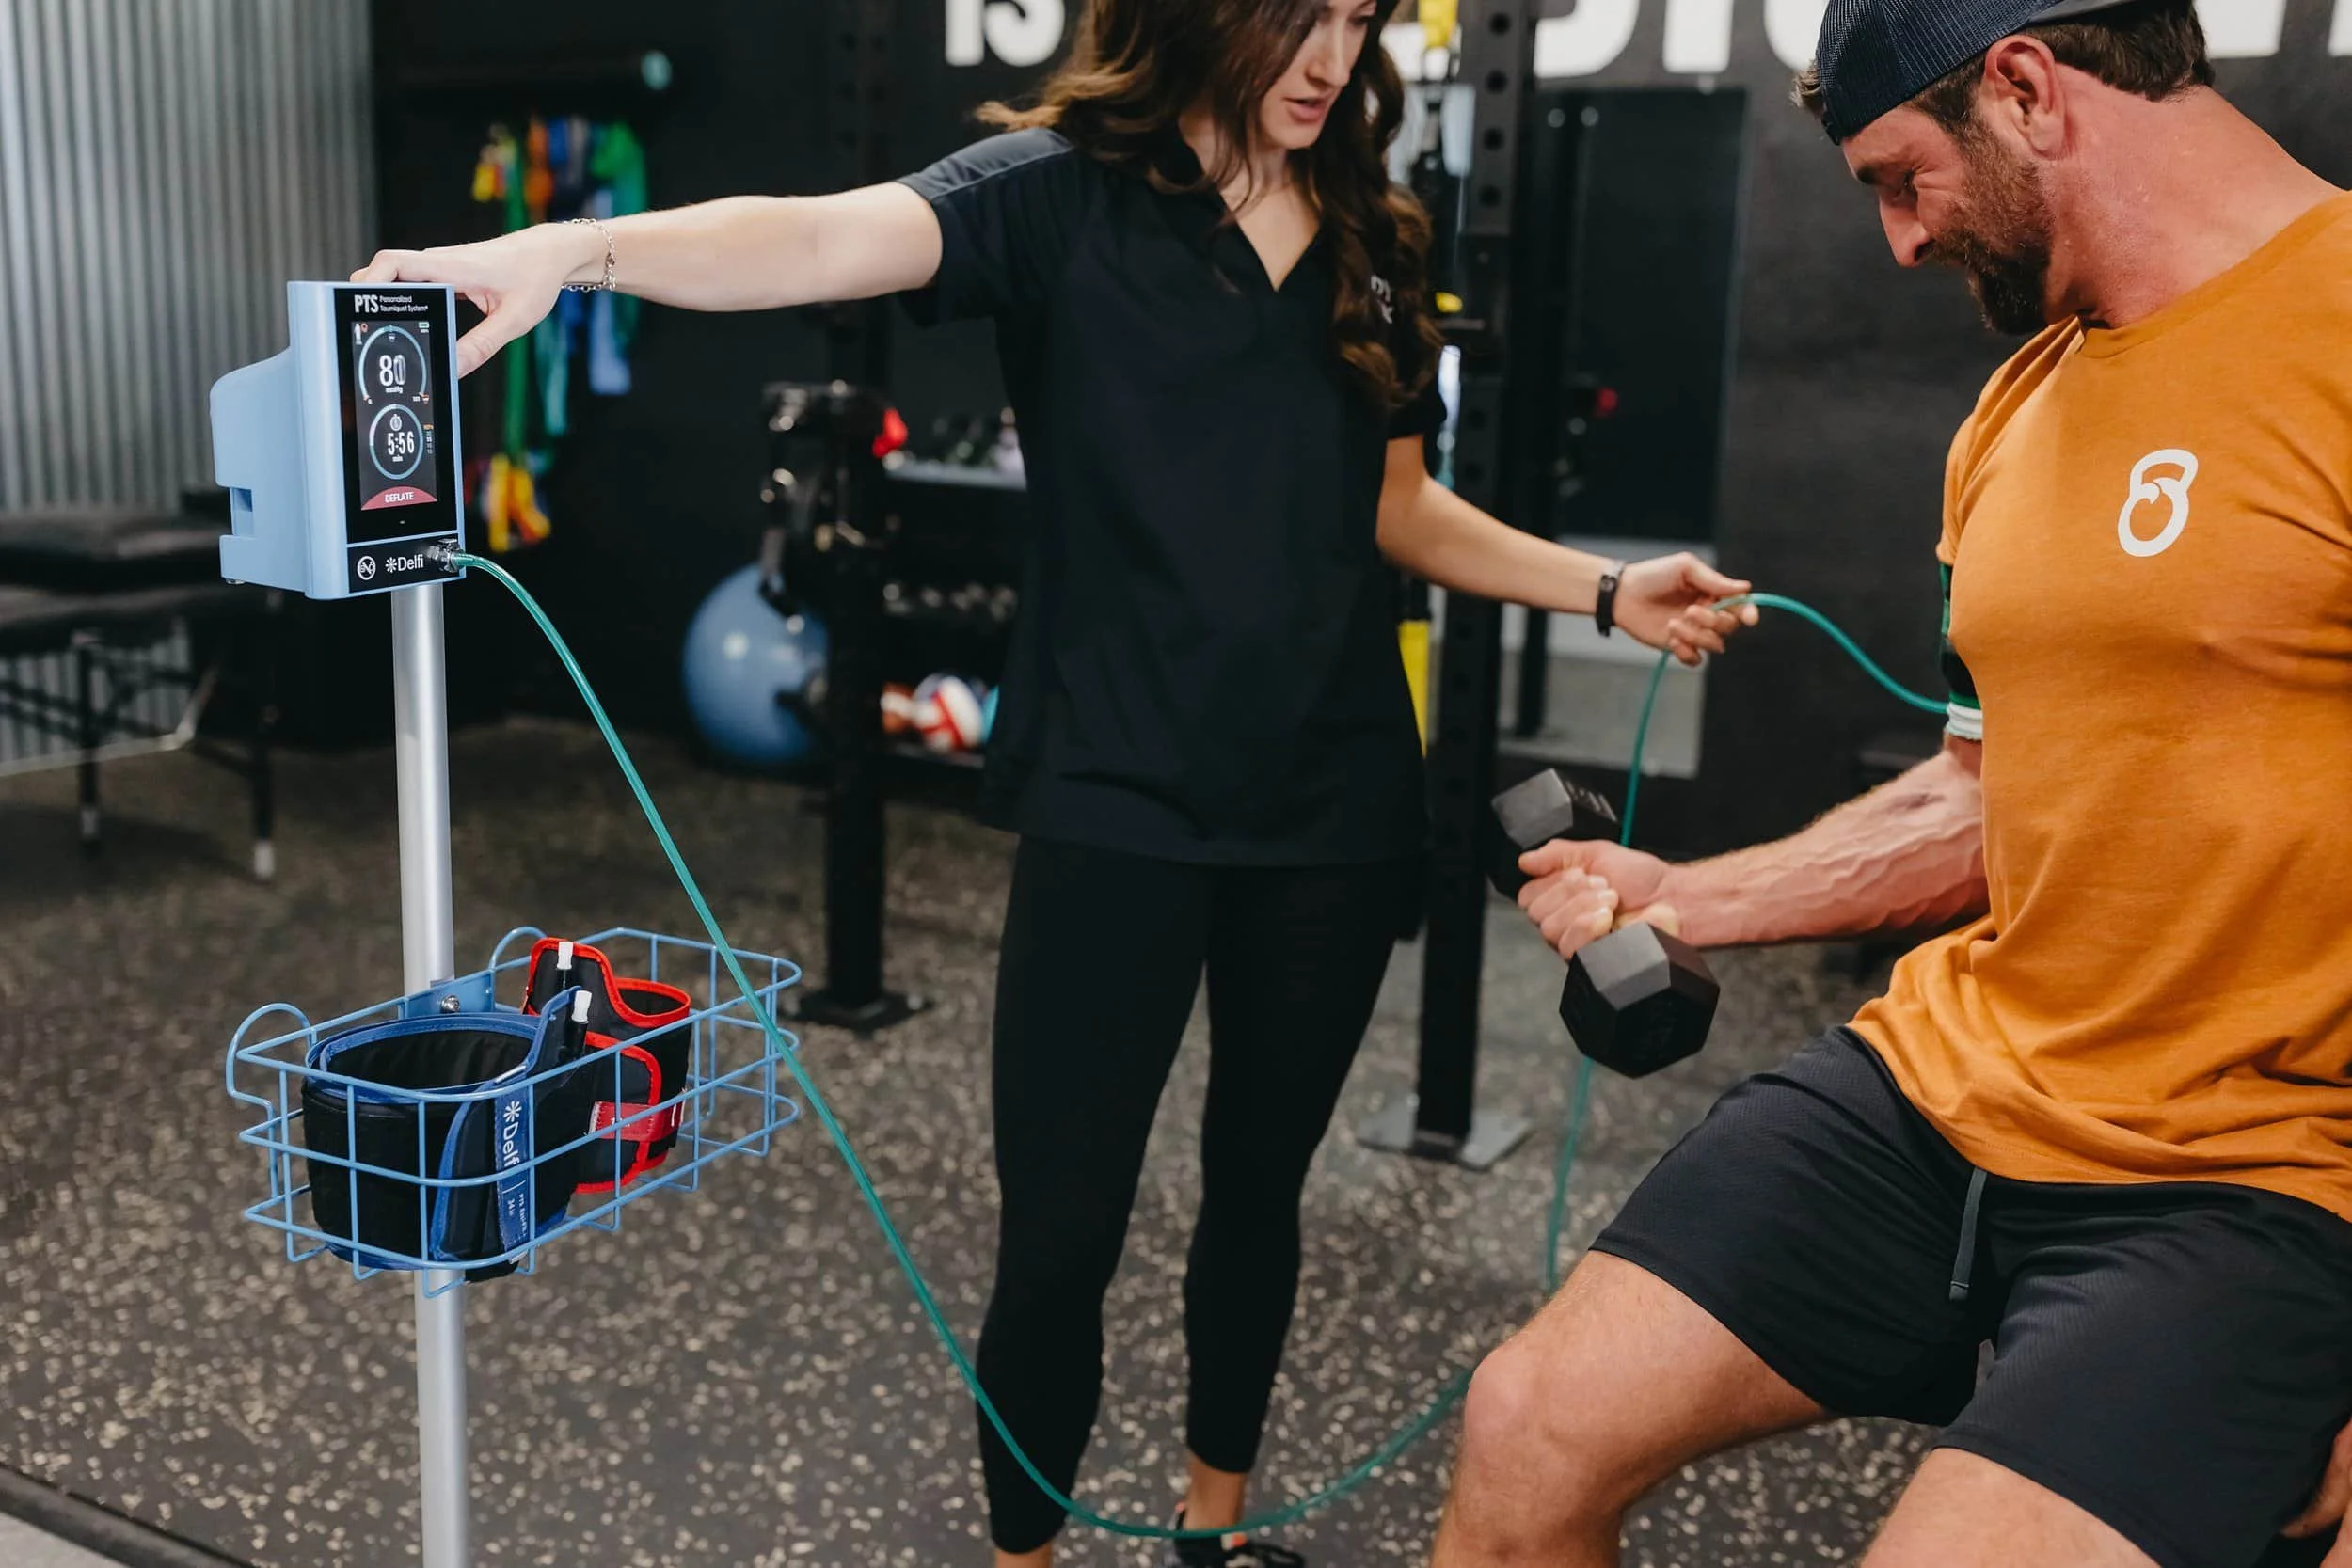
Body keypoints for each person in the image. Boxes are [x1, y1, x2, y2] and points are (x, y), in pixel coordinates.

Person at [355, 2, 1756, 1562]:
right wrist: (572, 249)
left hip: (1335, 806)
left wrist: (1604, 590)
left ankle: (1209, 1530)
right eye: (1299, 13)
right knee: (1060, 1239)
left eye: (1357, 19)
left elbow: (1401, 510)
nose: (1330, 55)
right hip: (1116, 797)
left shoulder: (1372, 225)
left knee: (1256, 1199)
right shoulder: (1058, 191)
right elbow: (815, 239)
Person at [1428, 2, 2352, 1566]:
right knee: (1525, 1425)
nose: (1899, 241)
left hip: (2254, 1173)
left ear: (2025, 87)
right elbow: (1976, 797)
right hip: (1957, 1078)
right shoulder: (2019, 402)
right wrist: (1688, 897)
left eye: (1900, 178)